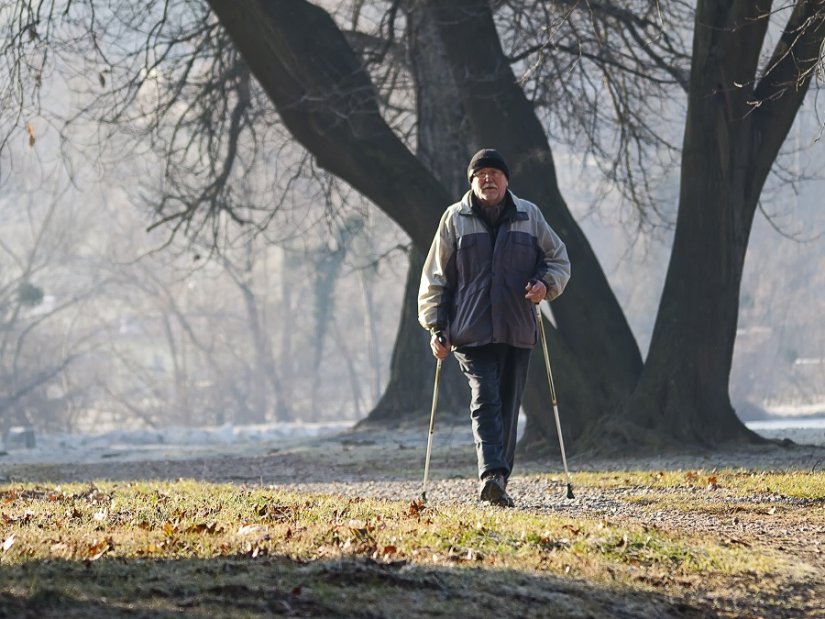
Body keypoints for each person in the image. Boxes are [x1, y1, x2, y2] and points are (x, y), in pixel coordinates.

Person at [417, 148, 570, 507]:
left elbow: (558, 259)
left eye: (494, 173)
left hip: (517, 329)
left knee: (508, 405)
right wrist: (436, 326)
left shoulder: (529, 216)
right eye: (480, 174)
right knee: (484, 398)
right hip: (470, 331)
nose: (488, 179)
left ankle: (499, 479)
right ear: (471, 182)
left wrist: (544, 284)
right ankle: (490, 474)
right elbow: (435, 278)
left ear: (506, 180)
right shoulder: (455, 219)